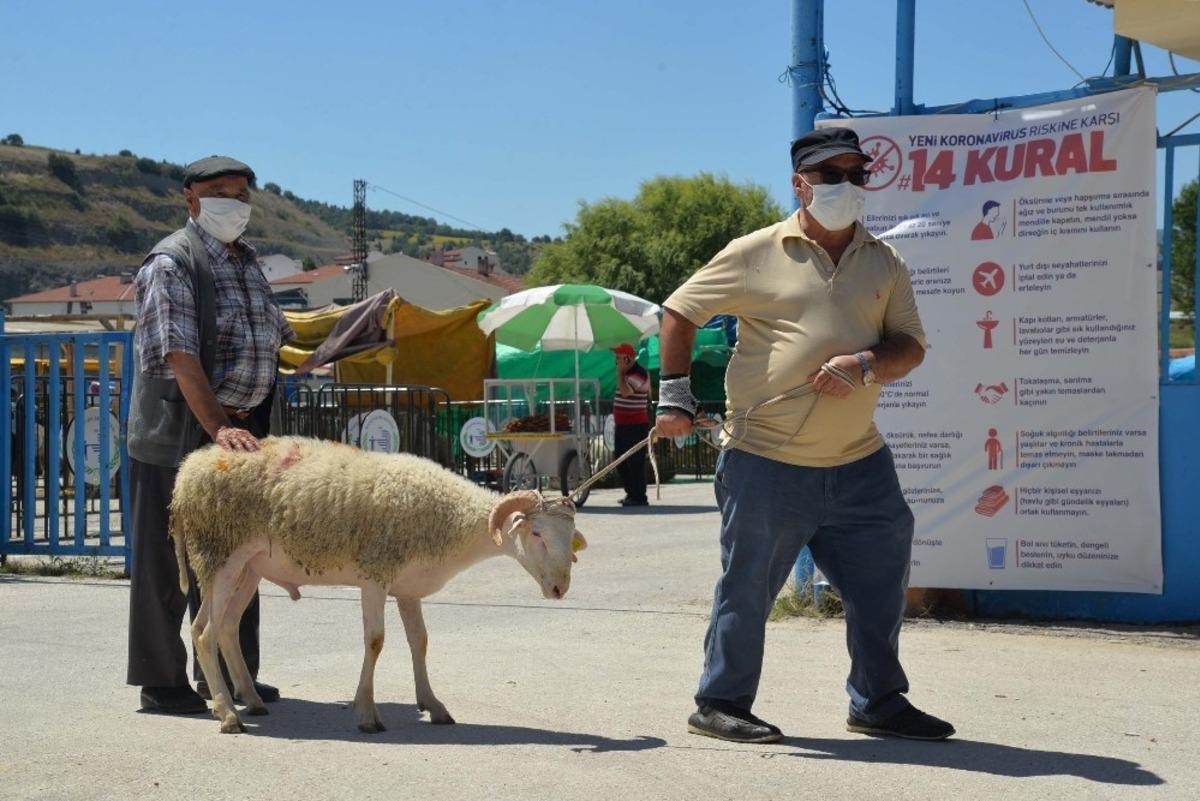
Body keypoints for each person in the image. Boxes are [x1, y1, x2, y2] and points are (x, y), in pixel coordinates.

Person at [655, 127, 955, 743]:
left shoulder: (884, 261)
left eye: (856, 174)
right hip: (766, 460)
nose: (847, 186)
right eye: (831, 176)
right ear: (800, 184)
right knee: (747, 586)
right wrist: (674, 397)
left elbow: (910, 346)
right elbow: (678, 313)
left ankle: (877, 702)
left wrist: (864, 365)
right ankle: (720, 702)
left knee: (879, 587)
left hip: (860, 462)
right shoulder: (755, 252)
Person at [126, 156, 293, 714]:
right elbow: (177, 352)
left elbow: (273, 338)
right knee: (167, 556)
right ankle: (161, 679)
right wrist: (217, 424)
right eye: (219, 191)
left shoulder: (248, 263)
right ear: (190, 198)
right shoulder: (173, 262)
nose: (233, 202)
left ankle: (227, 671)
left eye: (242, 193)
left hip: (243, 432)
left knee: (239, 555)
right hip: (180, 429)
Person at [611, 343, 651, 507]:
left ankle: (639, 496)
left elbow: (626, 392)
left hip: (635, 426)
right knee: (620, 459)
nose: (617, 361)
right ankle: (631, 493)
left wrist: (620, 373)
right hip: (623, 425)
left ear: (628, 358)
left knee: (635, 462)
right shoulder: (627, 373)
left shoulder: (638, 373)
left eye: (619, 358)